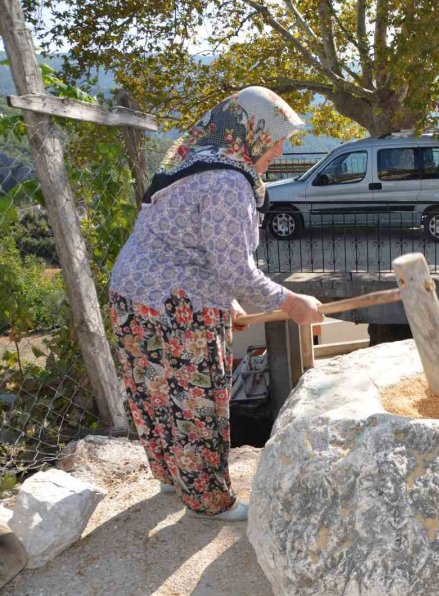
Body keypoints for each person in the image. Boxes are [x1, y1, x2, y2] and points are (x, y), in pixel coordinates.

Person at [109, 87, 323, 521]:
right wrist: (291, 302)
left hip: (132, 293)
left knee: (152, 392)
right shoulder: (228, 181)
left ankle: (173, 477)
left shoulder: (196, 162)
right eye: (277, 137)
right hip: (178, 305)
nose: (280, 149)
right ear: (252, 133)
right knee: (196, 400)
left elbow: (195, 245)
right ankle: (206, 501)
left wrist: (226, 303)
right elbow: (233, 268)